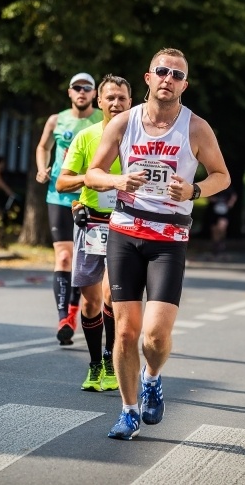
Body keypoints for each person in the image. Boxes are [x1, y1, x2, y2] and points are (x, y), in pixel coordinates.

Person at [85, 48, 230, 440]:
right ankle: (128, 411)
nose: (169, 78)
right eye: (162, 71)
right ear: (148, 78)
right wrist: (117, 180)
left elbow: (222, 176)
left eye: (177, 75)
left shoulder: (196, 127)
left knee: (155, 335)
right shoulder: (124, 122)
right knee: (125, 333)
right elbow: (93, 173)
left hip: (169, 239)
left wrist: (194, 190)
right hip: (125, 233)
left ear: (185, 84)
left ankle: (152, 377)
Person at [56, 74, 132, 392]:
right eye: (110, 97)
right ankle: (95, 363)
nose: (116, 103)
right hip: (92, 224)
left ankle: (111, 360)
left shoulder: (140, 138)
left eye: (122, 98)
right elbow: (62, 182)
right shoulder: (86, 137)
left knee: (111, 294)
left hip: (126, 224)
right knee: (90, 302)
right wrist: (90, 178)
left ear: (131, 102)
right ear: (99, 101)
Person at [36, 72, 103, 345]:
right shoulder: (57, 119)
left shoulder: (103, 119)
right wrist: (42, 168)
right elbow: (43, 146)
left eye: (87, 88)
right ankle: (64, 318)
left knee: (80, 260)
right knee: (64, 257)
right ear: (69, 92)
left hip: (90, 197)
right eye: (77, 88)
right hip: (59, 195)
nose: (82, 92)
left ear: (95, 93)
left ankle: (75, 312)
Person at [207, 186, 238, 257]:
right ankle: (216, 244)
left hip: (224, 212)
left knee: (221, 227)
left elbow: (234, 196)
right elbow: (207, 195)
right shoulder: (214, 187)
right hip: (214, 212)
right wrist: (212, 199)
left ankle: (221, 242)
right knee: (214, 230)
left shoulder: (228, 188)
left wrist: (231, 202)